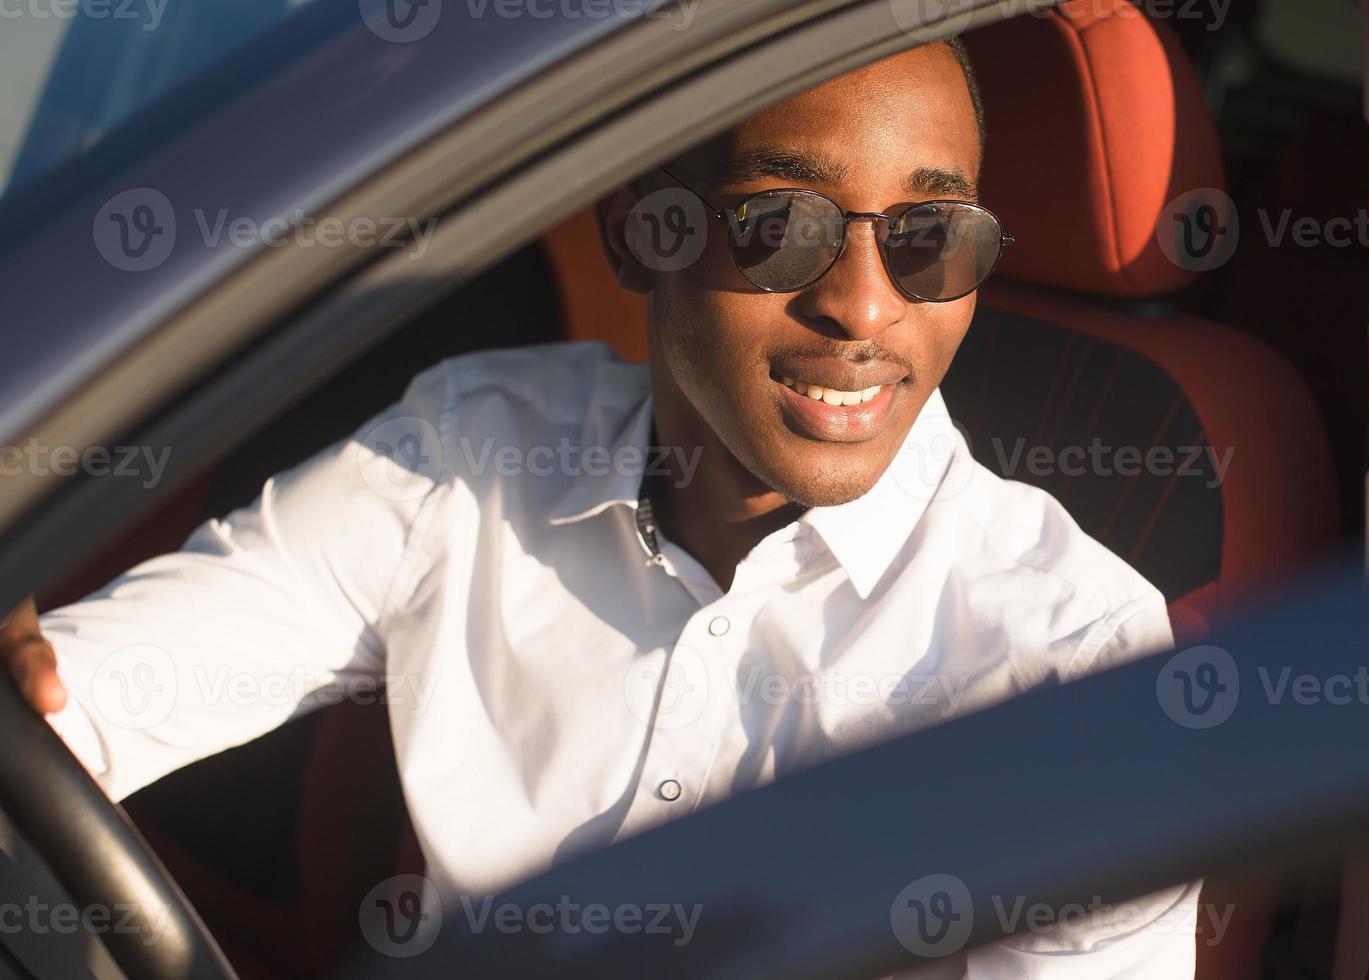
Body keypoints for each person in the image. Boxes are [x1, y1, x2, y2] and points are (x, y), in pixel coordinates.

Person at [0, 37, 1197, 977]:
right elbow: (78, 711)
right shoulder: (472, 453)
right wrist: (42, 686)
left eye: (931, 236)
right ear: (639, 232)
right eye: (780, 225)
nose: (868, 308)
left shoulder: (1071, 662)